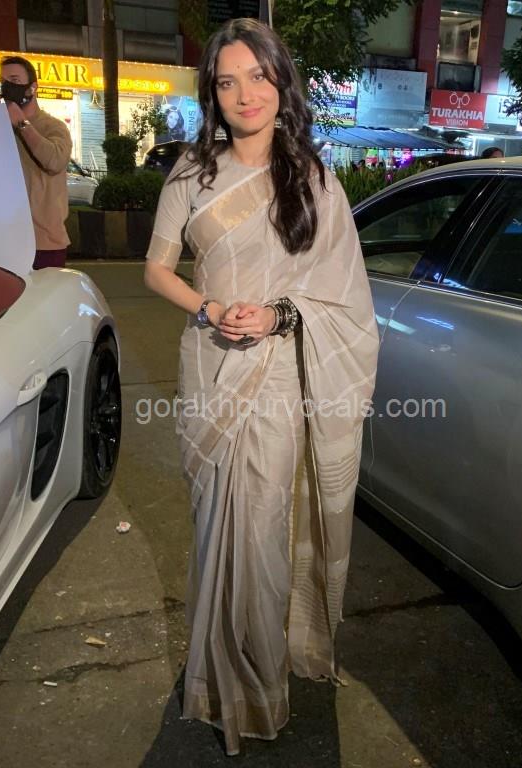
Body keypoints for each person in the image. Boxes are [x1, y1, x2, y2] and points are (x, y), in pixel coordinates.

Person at [143, 18, 378, 756]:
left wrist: (278, 314)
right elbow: (155, 270)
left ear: (281, 83)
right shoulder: (192, 172)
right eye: (227, 81)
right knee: (216, 527)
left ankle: (260, 681)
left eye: (258, 76)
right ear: (212, 94)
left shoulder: (315, 180)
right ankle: (216, 680)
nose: (245, 94)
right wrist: (210, 309)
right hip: (210, 365)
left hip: (277, 376)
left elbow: (344, 298)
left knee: (264, 534)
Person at [0, 56, 72, 269]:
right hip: (4, 236)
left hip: (44, 242)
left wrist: (21, 123)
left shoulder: (53, 126)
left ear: (33, 87)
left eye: (14, 80)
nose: (7, 87)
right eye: (3, 81)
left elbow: (55, 160)